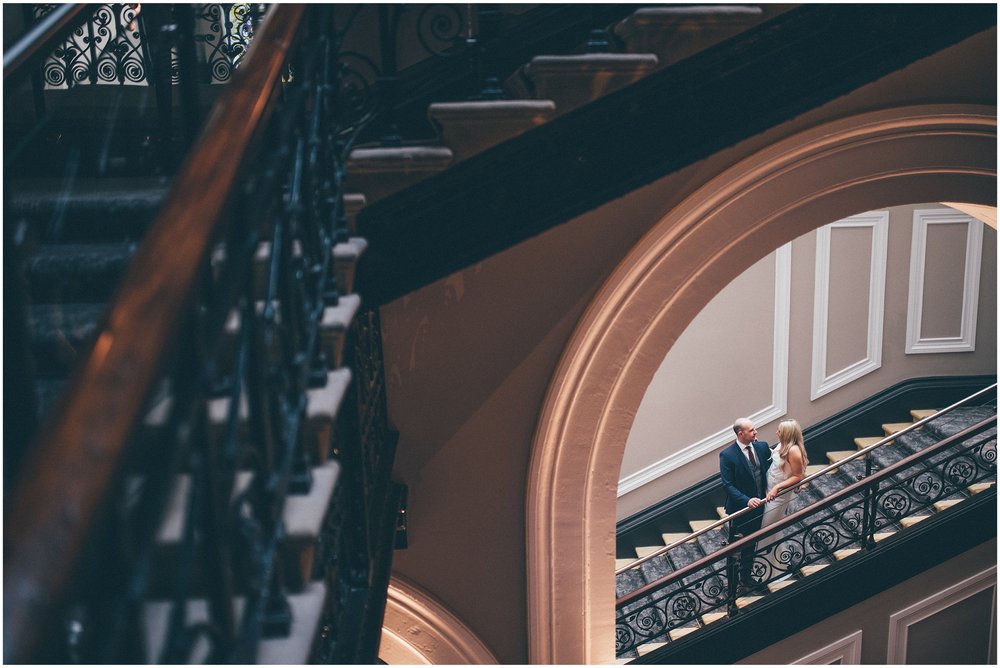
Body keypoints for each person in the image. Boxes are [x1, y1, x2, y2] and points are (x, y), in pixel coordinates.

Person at [719, 417, 772, 592]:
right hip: (740, 510)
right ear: (741, 434)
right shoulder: (727, 455)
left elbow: (773, 467)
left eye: (754, 429)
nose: (755, 432)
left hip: (761, 505)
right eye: (751, 430)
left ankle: (746, 577)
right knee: (737, 546)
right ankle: (733, 582)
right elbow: (728, 485)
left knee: (752, 542)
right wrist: (746, 500)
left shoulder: (762, 447)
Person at [757, 419, 809, 579]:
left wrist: (777, 487)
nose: (776, 433)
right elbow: (778, 459)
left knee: (765, 530)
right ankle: (775, 563)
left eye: (779, 431)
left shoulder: (794, 451)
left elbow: (798, 475)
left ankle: (764, 571)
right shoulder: (783, 445)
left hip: (778, 497)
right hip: (768, 491)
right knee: (770, 529)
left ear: (786, 434)